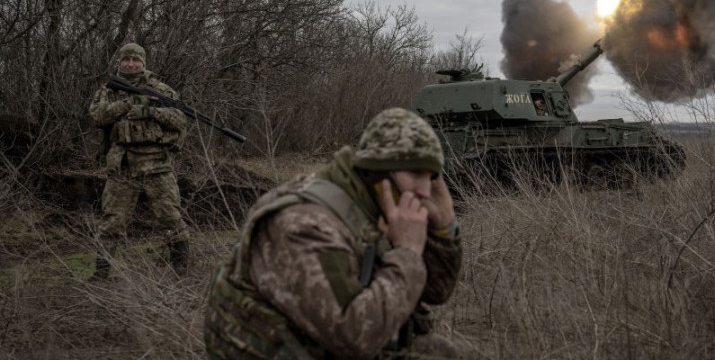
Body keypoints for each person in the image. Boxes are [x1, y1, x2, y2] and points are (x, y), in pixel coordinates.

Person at [204, 107, 463, 360]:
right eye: (416, 173)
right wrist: (407, 252)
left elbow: (436, 291)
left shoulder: (377, 206)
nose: (425, 191)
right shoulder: (305, 224)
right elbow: (354, 339)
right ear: (378, 171)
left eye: (431, 177)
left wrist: (444, 225)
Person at [88, 43, 189, 279]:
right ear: (120, 62)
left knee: (171, 218)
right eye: (127, 60)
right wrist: (127, 104)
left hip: (157, 163)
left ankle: (182, 272)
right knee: (112, 222)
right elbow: (98, 116)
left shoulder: (160, 89)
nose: (131, 64)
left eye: (136, 60)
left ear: (143, 63)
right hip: (122, 165)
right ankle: (100, 276)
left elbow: (180, 120)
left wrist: (151, 112)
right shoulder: (108, 90)